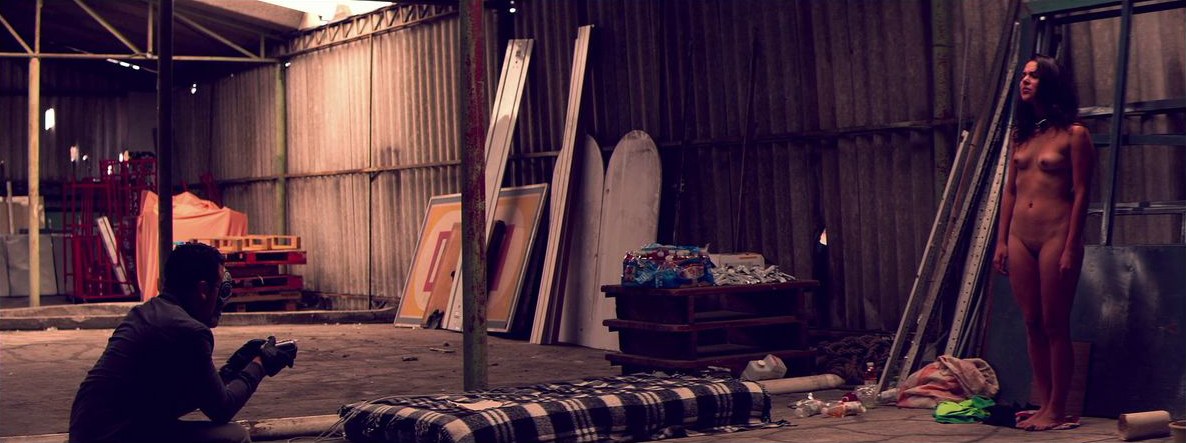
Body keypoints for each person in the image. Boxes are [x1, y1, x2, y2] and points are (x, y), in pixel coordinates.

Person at [69, 243, 298, 443]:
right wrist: (260, 364)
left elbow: (193, 396)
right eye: (220, 289)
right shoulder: (189, 331)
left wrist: (235, 366)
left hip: (95, 432)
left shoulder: (145, 313)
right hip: (117, 436)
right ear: (203, 290)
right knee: (233, 436)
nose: (222, 299)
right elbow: (222, 408)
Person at [992, 54, 1095, 431]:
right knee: (1032, 322)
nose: (1025, 80)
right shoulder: (1021, 135)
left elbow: (1082, 192)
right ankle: (1043, 405)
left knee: (1054, 323)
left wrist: (1071, 245)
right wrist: (1001, 241)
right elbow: (1010, 191)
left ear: (1049, 83)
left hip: (1056, 235)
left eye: (1033, 76)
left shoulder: (1074, 134)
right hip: (1020, 236)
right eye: (1023, 74)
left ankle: (1057, 408)